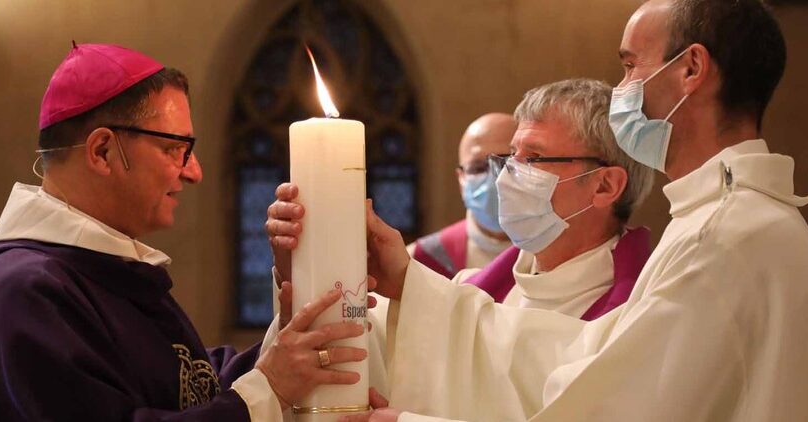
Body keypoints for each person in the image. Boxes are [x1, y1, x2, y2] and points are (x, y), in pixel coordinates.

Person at [338, 0, 808, 420]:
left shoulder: (726, 239)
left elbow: (602, 409)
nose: (621, 88)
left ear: (690, 68)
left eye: (629, 66)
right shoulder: (725, 221)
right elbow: (577, 357)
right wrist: (410, 282)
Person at [0, 43, 367, 422]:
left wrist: (297, 326)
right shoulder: (25, 294)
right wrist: (268, 389)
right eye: (175, 148)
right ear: (102, 151)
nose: (194, 172)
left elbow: (195, 388)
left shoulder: (104, 272)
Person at [264, 78, 656, 417]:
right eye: (510, 158)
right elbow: (335, 357)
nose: (507, 177)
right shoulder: (465, 291)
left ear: (605, 186)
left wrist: (409, 283)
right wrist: (308, 264)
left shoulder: (645, 311)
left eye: (533, 158)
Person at [408, 113, 515, 279]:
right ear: (461, 179)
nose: (494, 179)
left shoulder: (559, 257)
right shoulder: (422, 260)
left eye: (505, 163)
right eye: (478, 167)